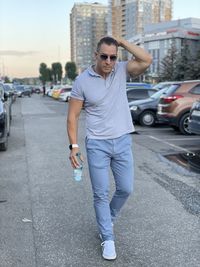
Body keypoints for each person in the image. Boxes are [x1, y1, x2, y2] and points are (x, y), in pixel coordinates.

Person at [67, 36, 152, 260]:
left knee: (126, 188)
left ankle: (108, 218)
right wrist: (74, 146)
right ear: (96, 55)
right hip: (97, 144)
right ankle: (107, 237)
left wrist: (122, 43)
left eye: (113, 57)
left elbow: (146, 59)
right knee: (101, 193)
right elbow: (73, 116)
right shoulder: (82, 81)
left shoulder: (122, 70)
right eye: (104, 56)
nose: (108, 61)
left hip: (122, 140)